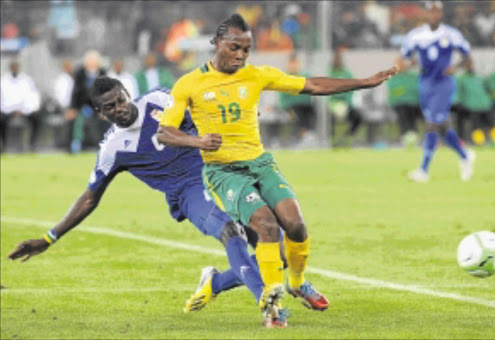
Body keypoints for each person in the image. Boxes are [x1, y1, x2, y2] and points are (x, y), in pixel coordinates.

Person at [157, 14, 397, 328]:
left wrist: (365, 82)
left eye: (246, 49)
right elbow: (164, 132)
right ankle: (273, 306)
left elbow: (311, 84)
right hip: (223, 171)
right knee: (266, 225)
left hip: (260, 163)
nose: (241, 55)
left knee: (296, 226)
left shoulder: (256, 75)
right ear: (216, 44)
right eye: (234, 48)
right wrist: (198, 140)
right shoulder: (189, 83)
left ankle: (296, 283)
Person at [7, 76, 266, 324]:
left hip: (224, 174)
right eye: (110, 107)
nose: (120, 108)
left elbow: (202, 108)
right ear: (101, 113)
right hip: (188, 192)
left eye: (121, 100)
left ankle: (215, 283)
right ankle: (270, 309)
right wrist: (48, 239)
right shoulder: (113, 148)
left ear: (126, 93)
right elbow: (89, 198)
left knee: (275, 246)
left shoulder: (158, 99)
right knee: (230, 231)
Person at [401, 1, 475, 182]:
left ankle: (423, 170)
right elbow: (404, 57)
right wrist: (409, 64)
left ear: (441, 14)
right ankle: (465, 156)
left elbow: (467, 56)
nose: (434, 15)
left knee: (431, 123)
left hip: (443, 82)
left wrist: (455, 68)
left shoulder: (451, 34)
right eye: (431, 11)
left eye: (437, 12)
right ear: (426, 14)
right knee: (440, 126)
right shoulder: (416, 35)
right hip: (425, 82)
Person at [69, 49, 107, 153]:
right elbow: (75, 92)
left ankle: (103, 144)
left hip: (98, 106)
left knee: (105, 120)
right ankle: (76, 143)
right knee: (78, 120)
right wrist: (72, 108)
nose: (91, 64)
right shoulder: (80, 73)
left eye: (94, 62)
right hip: (82, 105)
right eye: (89, 61)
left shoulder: (103, 73)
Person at [0, 60, 41, 152]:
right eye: (13, 67)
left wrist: (26, 109)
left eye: (16, 66)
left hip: (24, 110)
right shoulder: (3, 81)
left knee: (36, 118)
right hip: (8, 110)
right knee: (1, 120)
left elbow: (33, 96)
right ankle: (4, 145)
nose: (14, 68)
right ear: (10, 68)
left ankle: (31, 145)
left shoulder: (27, 80)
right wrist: (11, 109)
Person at [279, 54, 316, 145]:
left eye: (295, 63)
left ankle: (310, 136)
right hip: (290, 107)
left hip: (305, 105)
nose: (293, 66)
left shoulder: (304, 76)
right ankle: (302, 138)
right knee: (297, 116)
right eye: (291, 63)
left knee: (314, 112)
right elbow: (282, 97)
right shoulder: (284, 77)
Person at [329, 48, 363, 146]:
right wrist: (334, 102)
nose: (337, 61)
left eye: (339, 59)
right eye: (336, 59)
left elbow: (352, 89)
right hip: (333, 104)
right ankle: (332, 139)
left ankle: (347, 137)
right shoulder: (329, 73)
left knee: (358, 117)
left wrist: (346, 103)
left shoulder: (347, 74)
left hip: (346, 104)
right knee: (328, 119)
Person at [458, 58, 495, 143]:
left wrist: (490, 100)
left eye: (471, 64)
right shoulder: (461, 79)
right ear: (464, 67)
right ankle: (479, 143)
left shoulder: (481, 77)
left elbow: (489, 89)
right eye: (467, 65)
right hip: (472, 106)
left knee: (493, 124)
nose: (469, 67)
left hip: (486, 105)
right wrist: (462, 104)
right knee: (476, 125)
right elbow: (460, 93)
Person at [386, 57, 421, 139]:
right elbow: (395, 91)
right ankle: (407, 134)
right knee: (403, 112)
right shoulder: (392, 77)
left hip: (415, 104)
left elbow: (419, 88)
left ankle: (412, 134)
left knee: (413, 114)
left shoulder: (413, 76)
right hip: (399, 103)